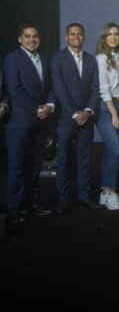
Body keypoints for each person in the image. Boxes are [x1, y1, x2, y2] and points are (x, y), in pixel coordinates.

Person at [3, 24, 55, 223]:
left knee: (34, 167)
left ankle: (32, 205)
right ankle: (14, 210)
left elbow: (50, 87)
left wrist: (50, 105)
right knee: (17, 168)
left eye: (35, 36)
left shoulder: (45, 59)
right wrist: (36, 109)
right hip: (19, 123)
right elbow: (14, 89)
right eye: (27, 36)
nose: (32, 39)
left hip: (40, 122)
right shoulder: (11, 59)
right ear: (20, 39)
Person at [51, 23, 100, 214]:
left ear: (84, 37)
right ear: (66, 37)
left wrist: (87, 111)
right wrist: (74, 113)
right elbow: (59, 88)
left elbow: (95, 88)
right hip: (66, 118)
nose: (76, 37)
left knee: (84, 160)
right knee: (63, 161)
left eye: (79, 34)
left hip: (86, 118)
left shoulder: (91, 60)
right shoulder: (58, 58)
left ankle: (84, 197)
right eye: (72, 34)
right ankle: (63, 200)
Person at [95, 22, 119, 211]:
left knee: (109, 152)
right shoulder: (101, 58)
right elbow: (104, 88)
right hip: (106, 107)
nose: (113, 37)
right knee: (116, 150)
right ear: (104, 37)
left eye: (116, 34)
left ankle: (105, 194)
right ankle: (110, 191)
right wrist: (114, 113)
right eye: (110, 34)